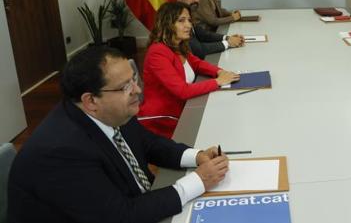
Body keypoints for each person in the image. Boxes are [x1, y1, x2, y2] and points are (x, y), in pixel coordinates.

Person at [8, 46, 229, 223]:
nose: (137, 90)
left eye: (134, 79)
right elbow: (121, 216)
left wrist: (196, 155)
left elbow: (148, 143)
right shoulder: (60, 153)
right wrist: (198, 181)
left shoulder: (114, 110)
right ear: (90, 100)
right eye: (125, 87)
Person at [138, 1, 240, 138]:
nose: (188, 25)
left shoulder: (178, 45)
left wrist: (219, 71)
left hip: (185, 108)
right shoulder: (157, 53)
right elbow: (183, 91)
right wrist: (218, 82)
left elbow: (197, 63)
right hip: (163, 120)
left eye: (189, 20)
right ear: (167, 24)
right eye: (181, 21)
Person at [174, 0, 244, 59]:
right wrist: (228, 43)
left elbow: (202, 34)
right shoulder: (175, 19)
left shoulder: (188, 12)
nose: (196, 0)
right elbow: (198, 49)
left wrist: (227, 38)